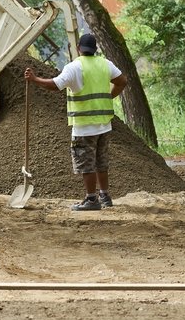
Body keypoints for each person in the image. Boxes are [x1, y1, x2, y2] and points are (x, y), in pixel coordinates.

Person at [25, 33, 128, 210]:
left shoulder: (74, 67)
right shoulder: (105, 64)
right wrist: (109, 96)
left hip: (84, 127)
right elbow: (122, 81)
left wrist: (34, 80)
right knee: (100, 161)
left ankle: (91, 200)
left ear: (78, 48)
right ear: (95, 49)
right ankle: (105, 196)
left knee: (87, 163)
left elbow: (55, 85)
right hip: (104, 124)